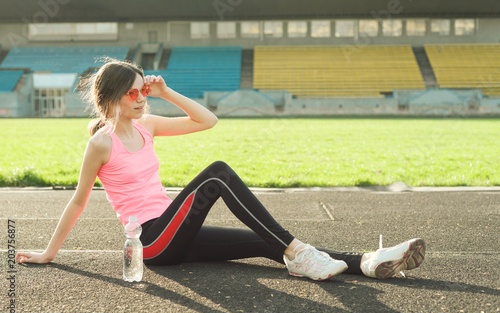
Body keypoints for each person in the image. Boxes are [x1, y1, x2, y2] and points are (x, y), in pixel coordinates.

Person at [16, 59, 426, 281]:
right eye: (135, 92)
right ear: (111, 97)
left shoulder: (148, 125)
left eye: (145, 89)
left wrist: (165, 92)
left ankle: (367, 262)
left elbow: (207, 121)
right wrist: (49, 254)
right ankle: (302, 255)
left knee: (267, 240)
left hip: (175, 231)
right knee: (217, 174)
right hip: (151, 240)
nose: (142, 97)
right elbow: (78, 201)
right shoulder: (101, 143)